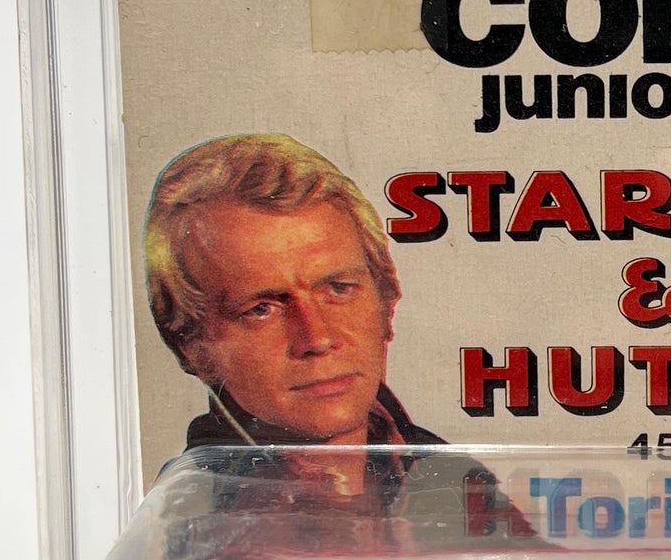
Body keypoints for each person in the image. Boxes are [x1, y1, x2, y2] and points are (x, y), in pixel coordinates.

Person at [143, 134, 499, 538]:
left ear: (386, 301)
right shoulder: (190, 516)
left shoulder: (453, 477)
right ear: (192, 346)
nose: (317, 338)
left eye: (339, 289)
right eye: (261, 309)